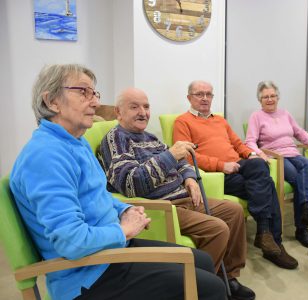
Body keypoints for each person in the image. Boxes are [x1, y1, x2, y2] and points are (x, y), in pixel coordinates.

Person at [9, 64, 225, 300]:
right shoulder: (45, 156)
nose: (94, 102)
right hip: (89, 274)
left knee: (201, 260)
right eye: (83, 92)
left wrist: (126, 209)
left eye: (94, 93)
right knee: (212, 288)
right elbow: (71, 242)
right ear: (52, 101)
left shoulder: (75, 142)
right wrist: (123, 230)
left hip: (110, 250)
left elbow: (98, 196)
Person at [99, 87, 255, 300]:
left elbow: (181, 161)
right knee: (217, 229)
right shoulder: (116, 139)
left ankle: (228, 276)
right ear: (119, 112)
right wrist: (170, 156)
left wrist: (189, 177)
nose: (143, 112)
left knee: (234, 211)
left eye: (146, 106)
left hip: (184, 196)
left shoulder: (150, 137)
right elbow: (131, 184)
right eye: (134, 107)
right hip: (162, 208)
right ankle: (198, 286)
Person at [173, 80, 298, 270]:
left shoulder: (220, 120)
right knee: (268, 186)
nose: (205, 98)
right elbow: (186, 156)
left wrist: (252, 154)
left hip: (239, 165)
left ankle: (266, 236)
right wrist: (222, 165)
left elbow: (238, 143)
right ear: (189, 97)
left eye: (209, 94)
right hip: (216, 174)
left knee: (258, 164)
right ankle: (272, 242)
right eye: (200, 94)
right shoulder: (183, 121)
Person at [245, 81, 308, 248]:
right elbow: (250, 141)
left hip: (293, 154)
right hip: (276, 158)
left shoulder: (285, 114)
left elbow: (299, 132)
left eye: (273, 96)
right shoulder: (256, 116)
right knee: (300, 181)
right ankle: (303, 225)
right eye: (265, 97)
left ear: (278, 97)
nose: (270, 99)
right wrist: (259, 153)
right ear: (260, 100)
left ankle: (306, 214)